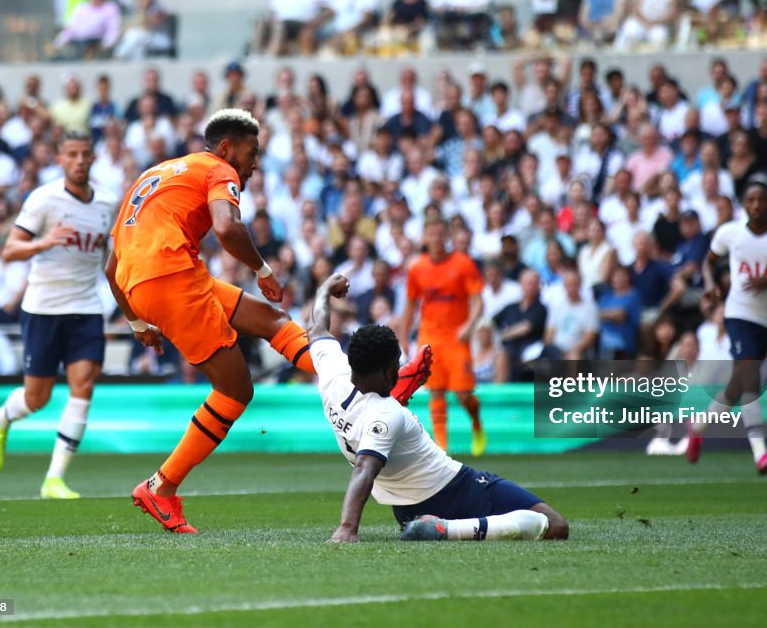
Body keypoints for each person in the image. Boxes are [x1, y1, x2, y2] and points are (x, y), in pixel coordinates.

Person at [107, 109, 429, 533]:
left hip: (155, 281)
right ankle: (161, 486)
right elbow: (226, 227)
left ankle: (364, 382)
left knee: (274, 321)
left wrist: (137, 323)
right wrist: (264, 271)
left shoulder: (160, 173)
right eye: (251, 151)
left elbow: (112, 266)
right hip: (173, 279)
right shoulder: (219, 170)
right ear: (226, 148)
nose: (255, 162)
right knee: (236, 389)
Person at [308, 273, 568, 543]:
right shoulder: (387, 413)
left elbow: (316, 328)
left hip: (408, 509)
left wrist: (324, 289)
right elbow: (364, 468)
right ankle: (444, 529)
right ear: (388, 372)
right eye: (397, 365)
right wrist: (347, 527)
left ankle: (433, 527)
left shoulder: (332, 373)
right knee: (555, 525)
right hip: (454, 489)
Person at [0, 132, 115, 500]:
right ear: (60, 159)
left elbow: (111, 255)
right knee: (36, 398)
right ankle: (2, 417)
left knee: (83, 385)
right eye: (72, 154)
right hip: (43, 308)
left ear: (93, 158)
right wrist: (43, 242)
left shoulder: (107, 201)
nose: (79, 160)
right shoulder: (43, 199)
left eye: (85, 154)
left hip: (87, 307)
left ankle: (54, 479)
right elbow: (9, 250)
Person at [691, 180, 767, 474]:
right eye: (751, 200)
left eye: (761, 200)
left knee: (735, 386)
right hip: (737, 314)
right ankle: (761, 453)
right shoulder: (730, 233)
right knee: (750, 377)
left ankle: (698, 427)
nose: (756, 205)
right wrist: (710, 285)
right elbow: (708, 262)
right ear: (744, 204)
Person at [400, 217, 485, 455]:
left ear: (447, 236)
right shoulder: (417, 268)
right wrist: (404, 335)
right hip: (430, 336)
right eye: (432, 234)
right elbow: (409, 305)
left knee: (463, 394)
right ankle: (442, 447)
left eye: (440, 234)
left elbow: (478, 301)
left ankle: (476, 422)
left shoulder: (463, 264)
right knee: (435, 390)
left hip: (457, 337)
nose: (436, 239)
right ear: (425, 237)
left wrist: (469, 325)